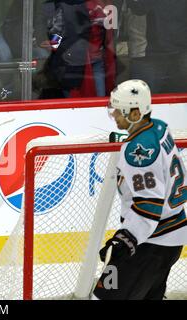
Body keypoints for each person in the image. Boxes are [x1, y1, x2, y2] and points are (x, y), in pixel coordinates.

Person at [92, 79, 187, 300]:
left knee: (104, 297)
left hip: (149, 244)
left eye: (118, 111)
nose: (113, 115)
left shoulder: (138, 150)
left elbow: (148, 205)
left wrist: (125, 240)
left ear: (135, 114)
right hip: (170, 240)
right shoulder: (159, 127)